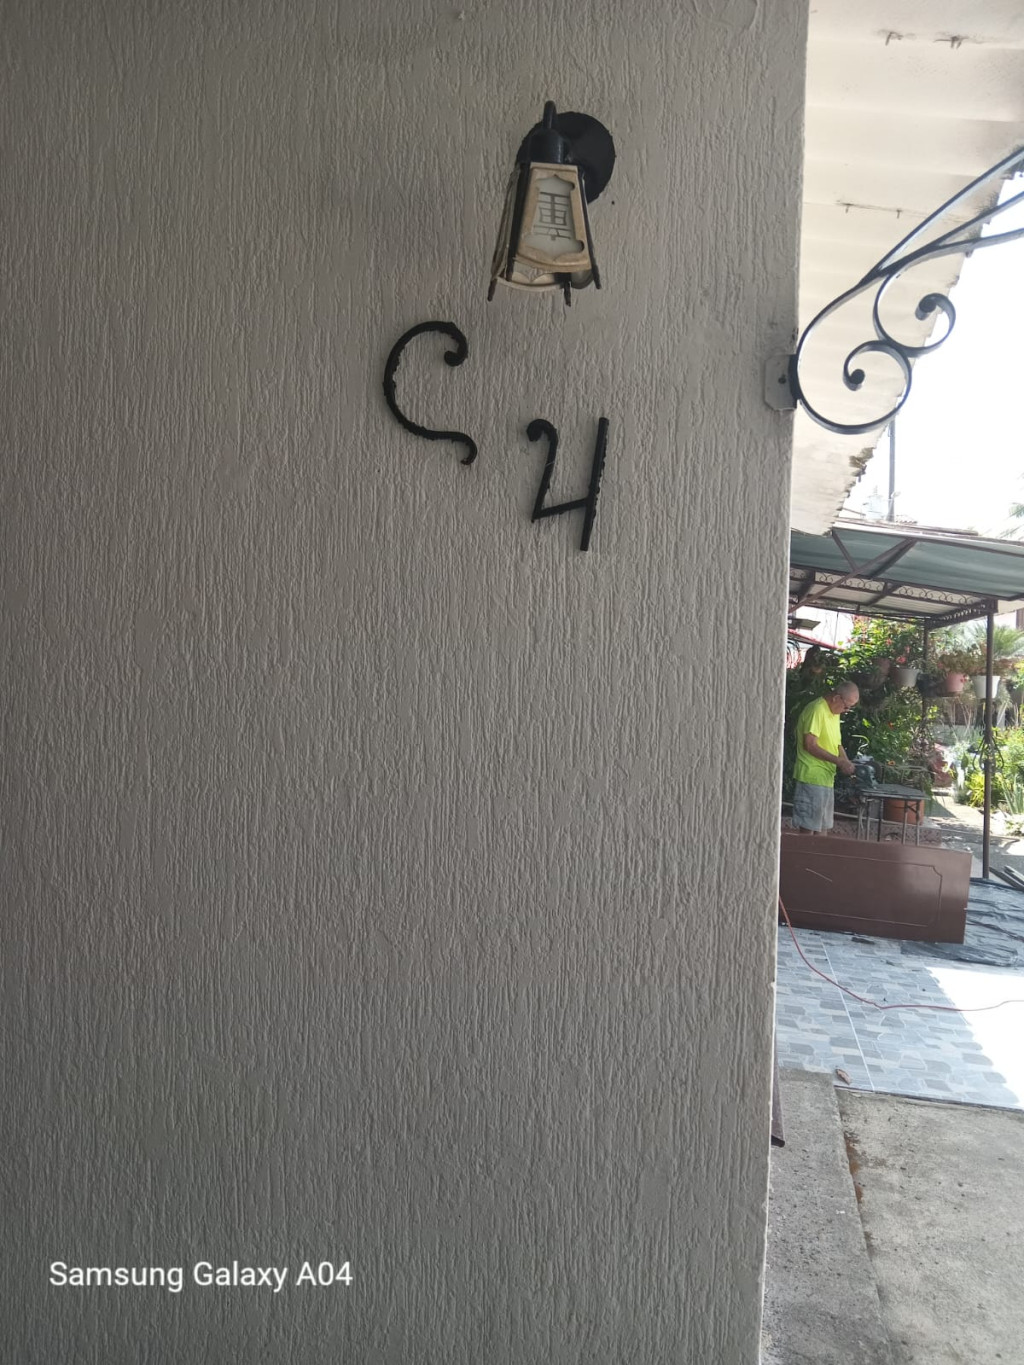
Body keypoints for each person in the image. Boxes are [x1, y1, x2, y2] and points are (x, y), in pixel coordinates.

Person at [792, 681, 859, 834]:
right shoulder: (817, 709)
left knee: (823, 829)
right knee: (808, 830)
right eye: (846, 706)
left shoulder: (834, 713)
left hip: (826, 778)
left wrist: (845, 761)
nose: (847, 711)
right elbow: (810, 745)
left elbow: (837, 744)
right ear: (836, 698)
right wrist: (839, 761)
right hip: (811, 776)